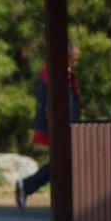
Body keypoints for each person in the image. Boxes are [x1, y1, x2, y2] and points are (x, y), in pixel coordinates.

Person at [15, 44, 81, 209]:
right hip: (61, 127)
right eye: (75, 59)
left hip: (66, 126)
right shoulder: (56, 75)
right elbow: (54, 104)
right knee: (62, 162)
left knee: (62, 162)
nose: (76, 63)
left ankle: (28, 186)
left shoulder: (59, 73)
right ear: (68, 58)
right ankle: (28, 185)